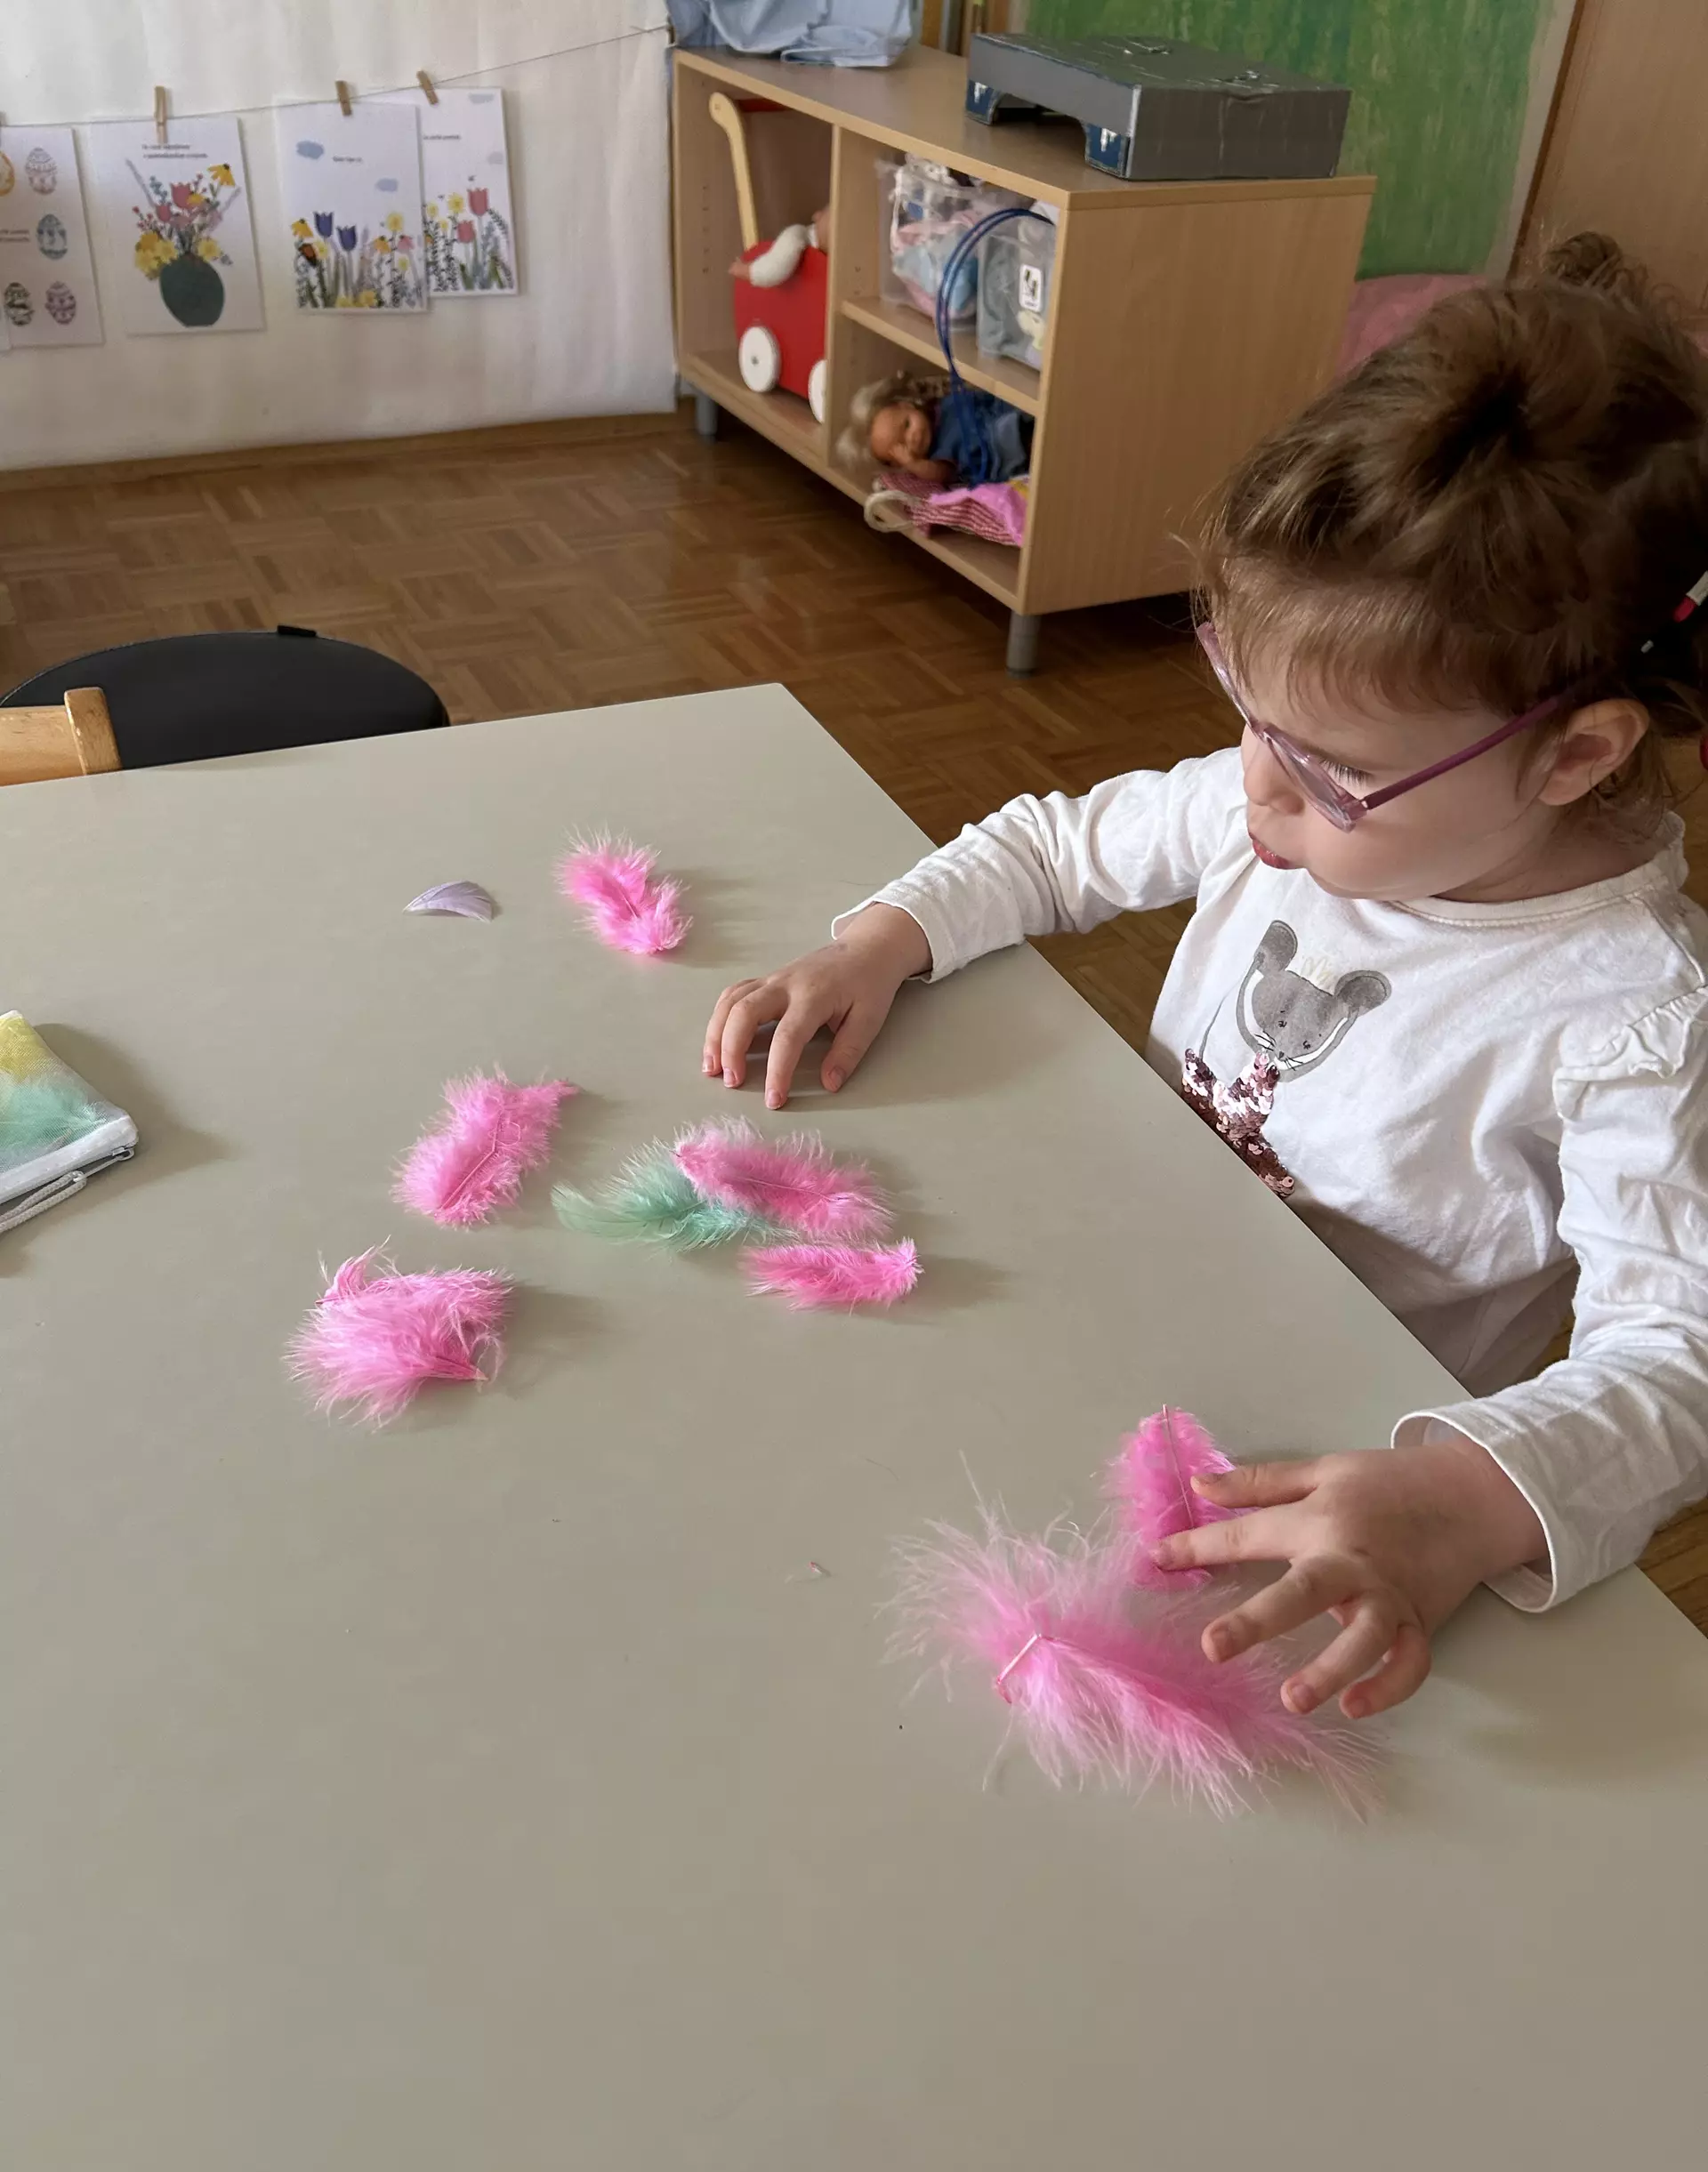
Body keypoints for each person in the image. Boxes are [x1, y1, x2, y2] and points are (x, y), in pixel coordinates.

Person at [703, 236, 1708, 1722]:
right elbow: (1054, 848)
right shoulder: (1292, 796)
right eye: (1244, 704)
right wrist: (883, 938)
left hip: (1304, 1483)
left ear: (1575, 756)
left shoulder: (1637, 1022)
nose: (1256, 789)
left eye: (1332, 769)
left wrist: (1461, 1500)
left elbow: (1675, 1360)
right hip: (1112, 1308)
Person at [836, 369, 1034, 489]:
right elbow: (941, 474)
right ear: (898, 463)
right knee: (1010, 434)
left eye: (907, 425)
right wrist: (915, 464)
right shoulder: (937, 456)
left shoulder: (942, 405)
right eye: (903, 445)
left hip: (998, 410)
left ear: (908, 405)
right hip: (995, 450)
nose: (912, 437)